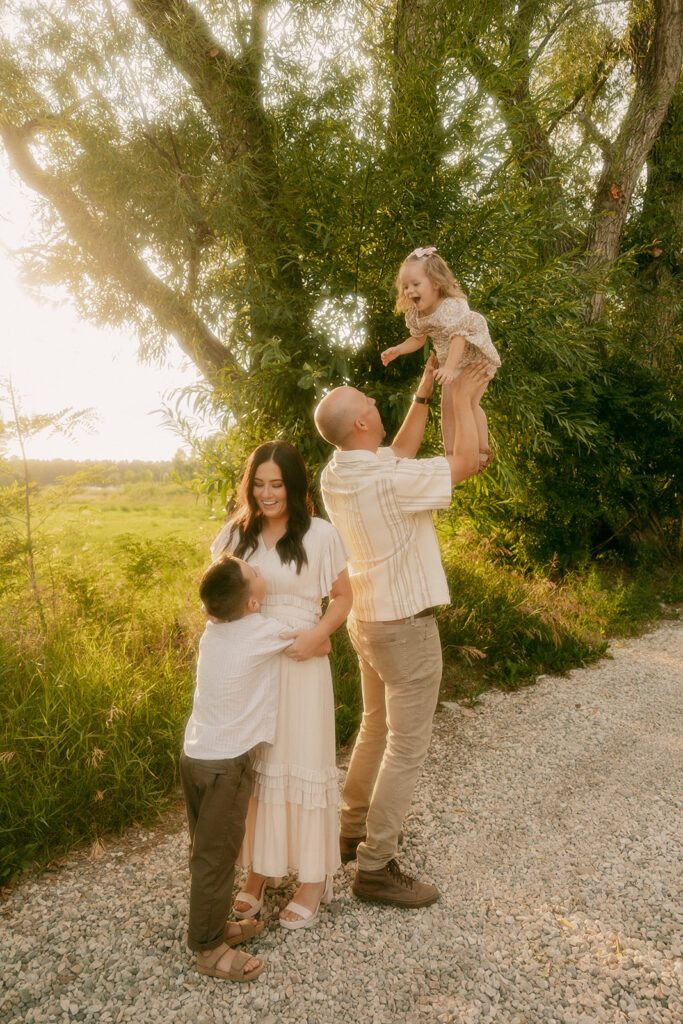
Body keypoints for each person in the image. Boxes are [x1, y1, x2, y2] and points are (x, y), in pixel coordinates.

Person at [314, 354, 492, 907]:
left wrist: (423, 388)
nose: (372, 401)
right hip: (406, 627)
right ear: (363, 423)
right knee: (407, 746)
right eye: (366, 401)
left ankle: (348, 832)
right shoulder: (389, 480)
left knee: (373, 729)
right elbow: (464, 460)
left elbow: (403, 453)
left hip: (366, 620)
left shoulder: (340, 469)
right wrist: (460, 395)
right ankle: (375, 866)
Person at [210, 440, 352, 929]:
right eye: (259, 484)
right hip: (252, 668)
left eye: (277, 485)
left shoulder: (320, 535)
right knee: (258, 769)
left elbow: (342, 597)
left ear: (295, 486)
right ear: (249, 485)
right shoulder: (235, 536)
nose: (268, 494)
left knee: (303, 760)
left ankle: (313, 878)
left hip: (301, 663)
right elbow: (216, 600)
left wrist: (319, 636)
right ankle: (259, 873)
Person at [180, 551, 293, 982]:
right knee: (217, 857)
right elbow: (313, 642)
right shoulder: (260, 630)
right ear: (250, 605)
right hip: (226, 764)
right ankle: (209, 951)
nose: (259, 568)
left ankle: (211, 926)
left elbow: (216, 603)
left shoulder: (214, 630)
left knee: (205, 850)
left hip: (194, 755)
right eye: (253, 573)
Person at [381, 246, 501, 465]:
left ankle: (482, 451)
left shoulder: (451, 306)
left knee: (470, 404)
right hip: (450, 364)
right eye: (405, 286)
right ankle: (452, 456)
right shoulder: (417, 315)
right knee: (447, 408)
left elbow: (458, 338)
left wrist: (448, 368)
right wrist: (398, 349)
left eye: (416, 284)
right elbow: (418, 339)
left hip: (474, 360)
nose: (409, 291)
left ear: (436, 283)